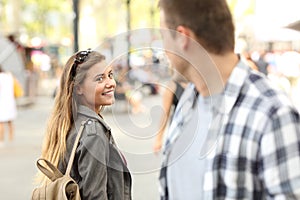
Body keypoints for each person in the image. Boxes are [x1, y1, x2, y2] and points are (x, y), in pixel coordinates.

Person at [158, 0, 300, 199]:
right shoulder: (189, 101)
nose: (162, 49)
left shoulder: (272, 114)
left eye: (163, 36)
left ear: (183, 37)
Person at [36, 49, 132, 199]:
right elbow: (95, 196)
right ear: (79, 88)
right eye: (100, 79)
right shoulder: (93, 132)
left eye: (110, 75)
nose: (111, 83)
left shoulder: (73, 122)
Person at [153, 75, 187, 153]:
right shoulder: (173, 85)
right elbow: (165, 113)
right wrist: (158, 139)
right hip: (178, 131)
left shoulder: (197, 84)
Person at [0, 65, 18, 147]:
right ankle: (11, 139)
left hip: (2, 102)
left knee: (1, 123)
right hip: (10, 101)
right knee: (10, 121)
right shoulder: (9, 76)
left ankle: (1, 140)